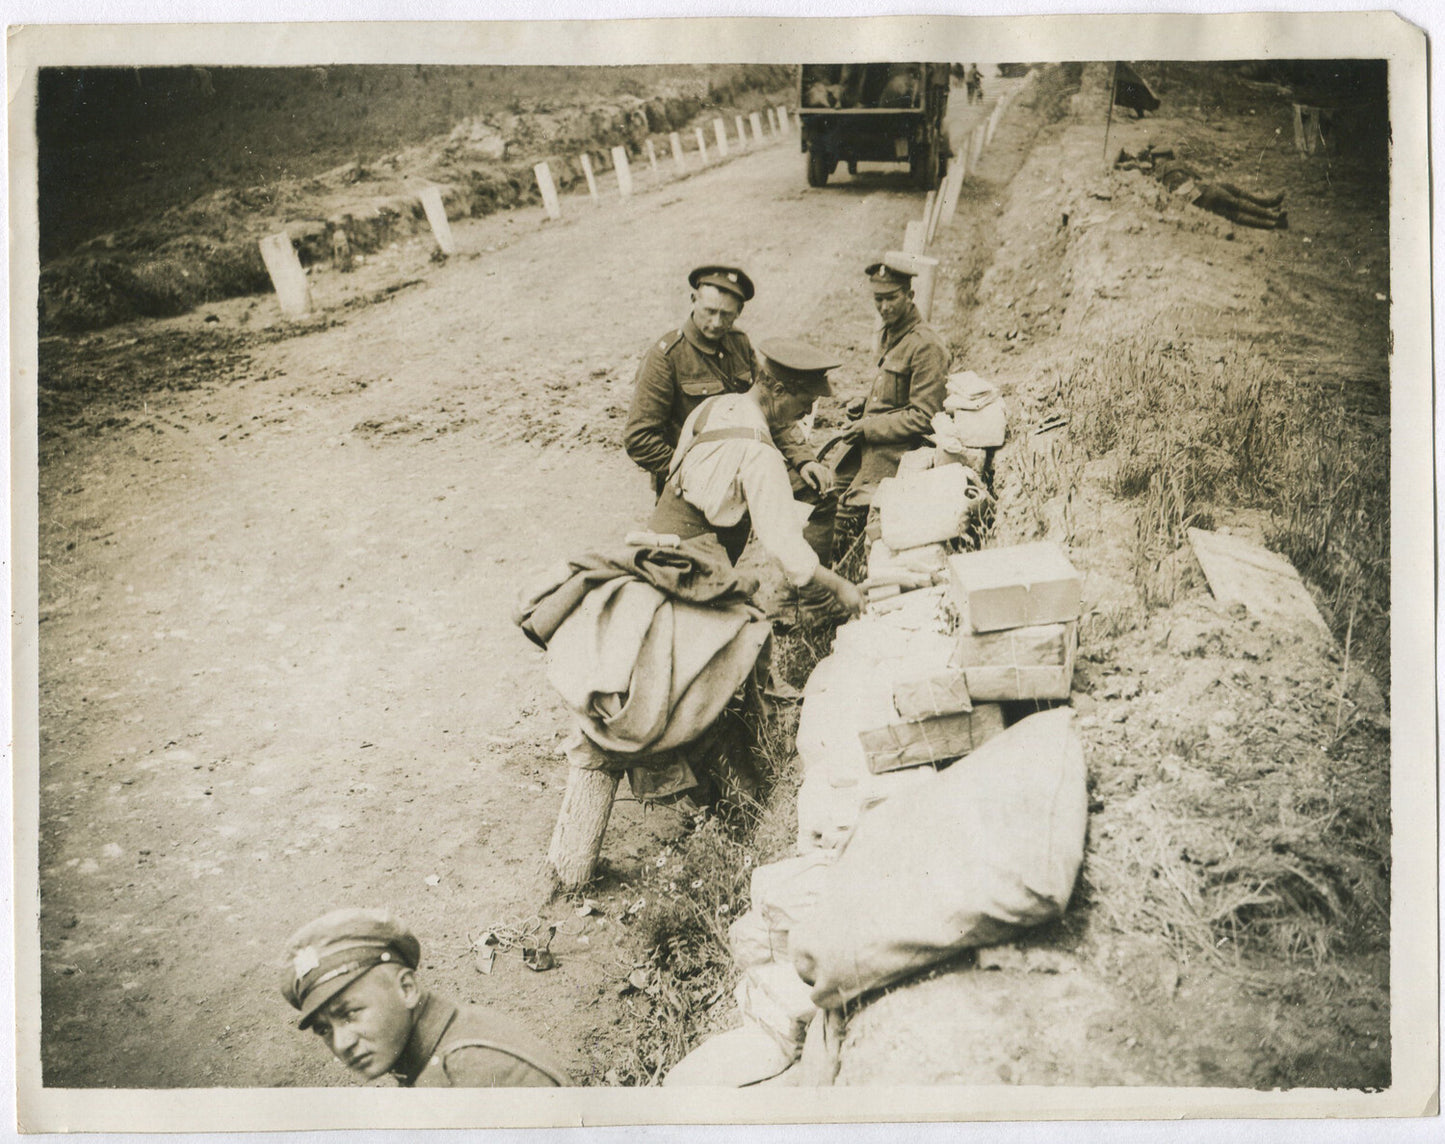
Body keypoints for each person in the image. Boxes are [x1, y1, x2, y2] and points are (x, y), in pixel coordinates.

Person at [624, 265, 831, 564]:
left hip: (741, 473)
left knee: (816, 496)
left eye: (727, 315)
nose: (716, 322)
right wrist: (696, 475)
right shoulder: (666, 357)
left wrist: (804, 458)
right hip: (692, 496)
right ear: (693, 299)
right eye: (709, 311)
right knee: (692, 572)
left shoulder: (739, 344)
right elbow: (638, 438)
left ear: (739, 313)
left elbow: (770, 404)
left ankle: (808, 595)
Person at [647, 336, 862, 619]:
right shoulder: (759, 452)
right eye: (806, 402)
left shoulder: (713, 407)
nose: (808, 413)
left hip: (652, 548)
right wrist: (841, 587)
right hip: (692, 572)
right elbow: (783, 545)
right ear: (779, 391)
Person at [281, 908, 572, 1088]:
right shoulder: (431, 1050)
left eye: (349, 1013)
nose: (341, 1044)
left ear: (407, 988)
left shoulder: (476, 1073)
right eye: (324, 1029)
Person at [829, 255, 949, 562]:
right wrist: (863, 406)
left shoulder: (926, 345)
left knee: (846, 515)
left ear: (910, 296)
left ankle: (840, 582)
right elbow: (892, 394)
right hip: (867, 445)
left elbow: (924, 417)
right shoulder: (889, 333)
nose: (884, 307)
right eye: (878, 299)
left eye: (891, 298)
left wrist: (867, 427)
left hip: (895, 454)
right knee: (826, 498)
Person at [1117, 146, 1287, 230]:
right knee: (1236, 199)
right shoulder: (1177, 163)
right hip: (1203, 189)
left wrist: (1126, 164)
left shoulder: (1155, 173)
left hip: (1196, 201)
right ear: (1168, 156)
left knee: (1234, 214)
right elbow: (1198, 177)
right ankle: (1270, 208)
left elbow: (1138, 169)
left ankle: (1272, 222)